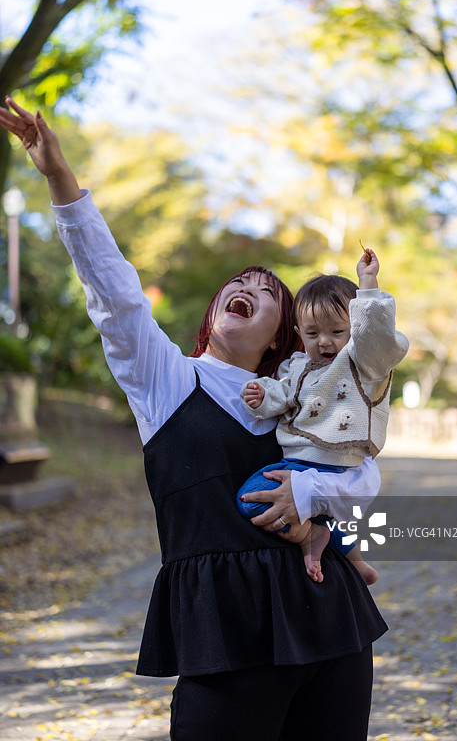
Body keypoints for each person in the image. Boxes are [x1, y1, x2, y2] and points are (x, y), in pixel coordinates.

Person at [0, 96, 389, 741]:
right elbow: (115, 294)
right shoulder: (167, 379)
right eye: (242, 283)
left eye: (270, 294)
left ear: (277, 336)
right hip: (223, 632)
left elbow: (367, 483)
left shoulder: (300, 396)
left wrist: (319, 504)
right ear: (214, 312)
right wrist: (59, 179)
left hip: (332, 620)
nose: (251, 289)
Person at [237, 259, 409, 585]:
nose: (325, 342)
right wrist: (262, 395)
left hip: (337, 464)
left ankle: (308, 536)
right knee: (259, 500)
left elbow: (376, 338)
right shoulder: (299, 366)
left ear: (354, 328)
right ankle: (354, 559)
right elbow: (283, 393)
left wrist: (368, 287)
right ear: (299, 333)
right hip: (299, 464)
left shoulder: (362, 362)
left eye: (337, 331)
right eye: (313, 333)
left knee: (252, 495)